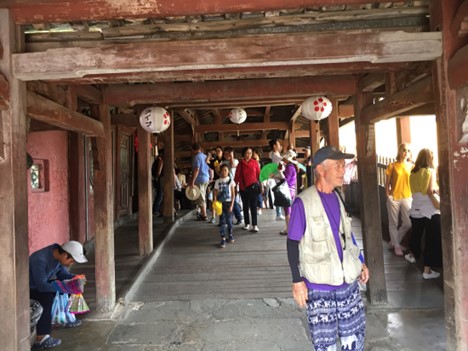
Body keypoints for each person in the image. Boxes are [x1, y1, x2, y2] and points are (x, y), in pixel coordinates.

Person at [287, 145, 369, 351]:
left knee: (354, 339)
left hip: (347, 282)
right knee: (326, 345)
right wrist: (297, 281)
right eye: (337, 166)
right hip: (319, 286)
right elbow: (292, 243)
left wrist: (361, 262)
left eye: (344, 165)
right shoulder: (303, 203)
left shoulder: (338, 196)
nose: (343, 170)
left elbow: (348, 235)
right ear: (321, 170)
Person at [29, 241, 88, 350]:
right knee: (47, 295)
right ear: (65, 255)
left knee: (71, 285)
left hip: (40, 285)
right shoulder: (40, 259)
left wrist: (76, 278)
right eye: (71, 260)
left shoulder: (57, 257)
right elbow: (41, 285)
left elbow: (62, 274)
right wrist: (63, 287)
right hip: (29, 289)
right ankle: (41, 337)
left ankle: (65, 318)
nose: (71, 263)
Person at [404, 148, 442, 279]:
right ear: (429, 158)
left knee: (416, 234)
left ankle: (412, 255)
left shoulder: (412, 173)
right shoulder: (430, 171)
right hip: (429, 209)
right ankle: (427, 271)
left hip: (416, 208)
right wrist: (437, 204)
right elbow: (430, 191)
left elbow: (416, 191)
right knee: (432, 239)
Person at [385, 143, 413, 256]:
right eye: (404, 150)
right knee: (393, 223)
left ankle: (394, 241)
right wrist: (387, 195)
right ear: (399, 151)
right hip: (394, 197)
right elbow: (387, 183)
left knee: (408, 223)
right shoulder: (392, 166)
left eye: (408, 150)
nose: (406, 152)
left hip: (407, 196)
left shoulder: (412, 166)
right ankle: (396, 246)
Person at [235, 147, 261, 232]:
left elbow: (259, 175)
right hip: (243, 187)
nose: (249, 155)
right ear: (243, 154)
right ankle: (246, 224)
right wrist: (235, 186)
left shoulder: (255, 163)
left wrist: (261, 185)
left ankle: (255, 225)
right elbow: (237, 176)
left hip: (253, 187)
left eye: (250, 153)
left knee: (253, 206)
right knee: (245, 206)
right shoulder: (240, 164)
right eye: (247, 153)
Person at [214, 164, 237, 248]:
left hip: (228, 203)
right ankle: (223, 238)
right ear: (220, 171)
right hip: (220, 204)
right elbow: (215, 193)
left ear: (228, 171)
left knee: (229, 221)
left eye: (225, 170)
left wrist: (232, 205)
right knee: (222, 222)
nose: (223, 172)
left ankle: (230, 235)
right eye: (222, 170)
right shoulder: (217, 181)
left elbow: (233, 194)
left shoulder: (231, 181)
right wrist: (215, 203)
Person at [278, 149, 298, 235]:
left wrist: (280, 172)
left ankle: (288, 229)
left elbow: (286, 180)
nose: (283, 159)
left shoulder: (289, 167)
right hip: (292, 190)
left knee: (287, 210)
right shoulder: (291, 167)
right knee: (289, 209)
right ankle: (290, 228)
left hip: (288, 190)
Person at [221, 147, 243, 225]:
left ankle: (239, 218)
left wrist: (231, 157)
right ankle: (230, 219)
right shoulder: (222, 162)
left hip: (233, 184)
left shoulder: (235, 161)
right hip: (225, 184)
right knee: (227, 202)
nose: (227, 155)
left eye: (229, 153)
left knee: (233, 202)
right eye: (226, 153)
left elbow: (232, 165)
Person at [190, 142, 211, 221]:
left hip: (200, 179)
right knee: (203, 196)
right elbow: (210, 168)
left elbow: (196, 169)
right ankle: (202, 214)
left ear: (193, 149)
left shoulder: (196, 158)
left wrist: (192, 181)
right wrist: (210, 177)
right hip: (206, 178)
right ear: (200, 149)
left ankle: (204, 215)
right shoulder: (205, 156)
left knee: (200, 197)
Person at [269, 139, 285, 221]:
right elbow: (284, 160)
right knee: (279, 195)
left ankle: (279, 213)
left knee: (279, 195)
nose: (280, 146)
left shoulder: (276, 154)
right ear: (274, 146)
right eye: (278, 144)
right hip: (279, 177)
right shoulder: (275, 155)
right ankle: (278, 213)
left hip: (279, 177)